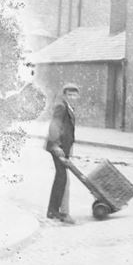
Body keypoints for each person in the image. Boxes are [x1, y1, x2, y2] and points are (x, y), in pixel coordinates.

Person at [46, 82, 79, 224]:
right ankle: (55, 211)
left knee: (60, 178)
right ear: (65, 95)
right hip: (57, 148)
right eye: (69, 95)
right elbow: (54, 125)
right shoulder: (61, 106)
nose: (72, 97)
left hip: (63, 148)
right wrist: (56, 145)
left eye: (75, 95)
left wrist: (69, 148)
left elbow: (69, 130)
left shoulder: (69, 108)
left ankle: (52, 210)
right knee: (61, 178)